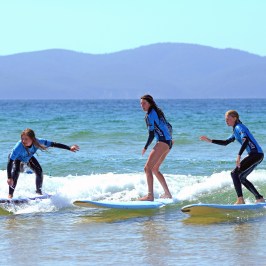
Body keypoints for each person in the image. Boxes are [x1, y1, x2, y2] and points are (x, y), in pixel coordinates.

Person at [200, 110, 265, 204]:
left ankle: (240, 199)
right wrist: (210, 140)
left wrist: (239, 156)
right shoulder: (236, 130)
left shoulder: (239, 127)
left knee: (234, 174)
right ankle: (259, 198)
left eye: (228, 119)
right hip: (258, 155)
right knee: (241, 177)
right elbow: (226, 142)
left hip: (255, 154)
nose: (226, 121)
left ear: (235, 118)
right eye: (225, 119)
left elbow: (245, 140)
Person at [7, 128, 79, 198]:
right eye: (22, 138)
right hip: (16, 158)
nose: (23, 141)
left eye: (26, 139)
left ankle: (39, 192)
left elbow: (54, 144)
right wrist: (9, 177)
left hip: (28, 157)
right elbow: (10, 162)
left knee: (39, 171)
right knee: (15, 173)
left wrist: (69, 148)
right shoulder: (19, 146)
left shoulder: (38, 141)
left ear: (32, 139)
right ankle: (10, 195)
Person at [139, 94, 173, 201]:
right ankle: (167, 193)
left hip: (163, 142)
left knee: (147, 168)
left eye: (144, 103)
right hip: (168, 142)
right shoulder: (158, 112)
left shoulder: (151, 115)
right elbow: (169, 126)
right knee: (154, 169)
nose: (142, 105)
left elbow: (152, 134)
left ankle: (150, 196)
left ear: (150, 103)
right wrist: (169, 139)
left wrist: (145, 147)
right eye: (141, 104)